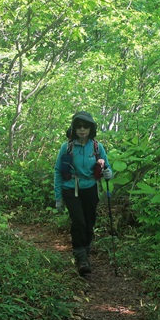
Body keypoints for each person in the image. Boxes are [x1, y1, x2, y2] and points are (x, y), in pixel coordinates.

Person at [54, 111, 113, 275]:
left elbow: (107, 167)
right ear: (74, 128)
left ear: (91, 129)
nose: (82, 129)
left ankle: (86, 250)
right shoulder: (67, 147)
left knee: (89, 222)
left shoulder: (97, 147)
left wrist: (108, 173)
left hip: (90, 188)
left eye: (85, 126)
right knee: (79, 221)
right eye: (79, 126)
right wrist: (58, 197)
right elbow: (58, 171)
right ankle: (80, 256)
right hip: (70, 188)